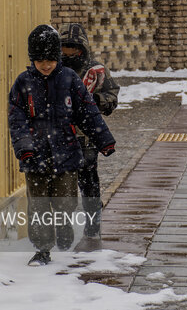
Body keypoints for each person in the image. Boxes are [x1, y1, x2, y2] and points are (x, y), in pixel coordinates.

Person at [8, 24, 116, 266]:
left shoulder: (69, 80)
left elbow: (87, 112)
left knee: (65, 200)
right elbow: (17, 120)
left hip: (67, 154)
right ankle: (43, 249)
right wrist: (25, 148)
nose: (45, 65)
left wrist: (103, 140)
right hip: (34, 157)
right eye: (39, 60)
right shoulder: (23, 83)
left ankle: (65, 223)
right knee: (38, 206)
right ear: (32, 59)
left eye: (50, 59)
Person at [58, 23, 119, 247]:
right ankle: (63, 231)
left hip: (87, 140)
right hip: (61, 139)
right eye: (65, 49)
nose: (69, 54)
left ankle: (92, 228)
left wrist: (94, 102)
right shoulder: (55, 69)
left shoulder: (96, 70)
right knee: (63, 188)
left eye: (74, 49)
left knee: (89, 186)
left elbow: (112, 97)